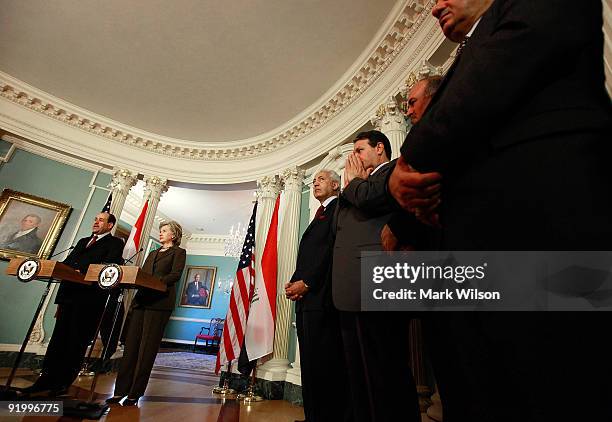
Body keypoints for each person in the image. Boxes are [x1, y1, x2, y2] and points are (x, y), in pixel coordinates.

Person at [388, 1, 612, 420]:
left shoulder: (521, 17)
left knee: (555, 388)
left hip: (543, 236)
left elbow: (478, 91)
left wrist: (406, 162)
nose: (435, 5)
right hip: (469, 260)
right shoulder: (466, 54)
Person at [333, 130, 420, 422]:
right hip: (350, 288)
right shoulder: (357, 185)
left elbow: (371, 199)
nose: (353, 157)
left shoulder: (394, 170)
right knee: (358, 375)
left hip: (377, 281)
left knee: (386, 372)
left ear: (379, 148)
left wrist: (353, 182)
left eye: (359, 150)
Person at [21, 212, 124, 395]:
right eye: (95, 218)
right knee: (58, 340)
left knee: (76, 341)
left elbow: (108, 265)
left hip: (88, 300)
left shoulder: (115, 243)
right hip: (68, 295)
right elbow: (68, 262)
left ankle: (62, 383)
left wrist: (79, 270)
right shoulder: (83, 240)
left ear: (110, 226)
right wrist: (60, 267)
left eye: (101, 220)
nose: (96, 222)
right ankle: (45, 379)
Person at [285, 169, 350, 422]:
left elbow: (333, 251)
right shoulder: (318, 215)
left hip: (323, 300)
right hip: (306, 302)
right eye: (313, 181)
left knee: (324, 364)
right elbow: (311, 256)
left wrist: (308, 283)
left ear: (336, 185)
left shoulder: (338, 209)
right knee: (310, 364)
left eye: (320, 179)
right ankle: (313, 416)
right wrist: (294, 281)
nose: (315, 183)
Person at [108, 220, 186, 406]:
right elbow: (142, 274)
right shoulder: (151, 253)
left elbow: (175, 275)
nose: (160, 233)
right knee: (131, 348)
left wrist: (155, 283)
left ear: (173, 235)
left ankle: (135, 393)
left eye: (164, 230)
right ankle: (120, 391)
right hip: (141, 302)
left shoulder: (179, 252)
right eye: (160, 230)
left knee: (146, 350)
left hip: (159, 304)